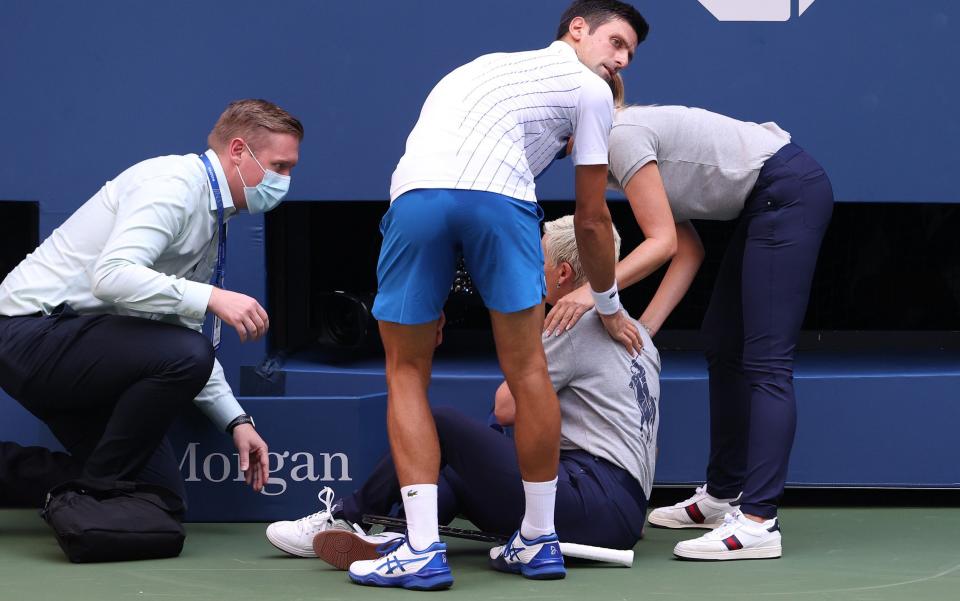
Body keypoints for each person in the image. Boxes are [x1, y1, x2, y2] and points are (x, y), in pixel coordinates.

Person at [362, 0, 649, 589]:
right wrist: (609, 304)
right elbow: (592, 223)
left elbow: (448, 186)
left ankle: (420, 550)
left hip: (416, 199)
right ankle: (539, 541)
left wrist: (433, 293)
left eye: (628, 55)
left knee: (406, 372)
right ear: (576, 30)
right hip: (499, 205)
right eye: (616, 43)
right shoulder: (593, 90)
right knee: (528, 370)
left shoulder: (480, 69)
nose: (619, 62)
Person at [266, 216, 660, 573]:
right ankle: (398, 534)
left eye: (536, 261)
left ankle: (348, 515)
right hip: (620, 512)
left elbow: (506, 408)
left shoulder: (572, 322)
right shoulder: (639, 332)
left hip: (590, 499)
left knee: (442, 424)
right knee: (455, 472)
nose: (530, 270)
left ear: (562, 273)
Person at [544, 78, 834, 561]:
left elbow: (662, 245)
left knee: (766, 363)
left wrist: (595, 295)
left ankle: (760, 520)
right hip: (765, 200)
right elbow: (689, 248)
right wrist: (644, 331)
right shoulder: (616, 151)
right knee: (723, 343)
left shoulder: (620, 136)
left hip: (787, 191)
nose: (559, 146)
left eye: (559, 134)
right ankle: (724, 495)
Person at [0, 99, 303, 512]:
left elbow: (179, 333)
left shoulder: (214, 214)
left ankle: (86, 488)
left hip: (85, 354)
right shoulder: (173, 185)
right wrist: (213, 297)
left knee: (159, 500)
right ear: (237, 151)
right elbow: (110, 277)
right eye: (280, 166)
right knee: (185, 355)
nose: (285, 180)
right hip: (28, 334)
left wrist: (236, 420)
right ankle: (97, 493)